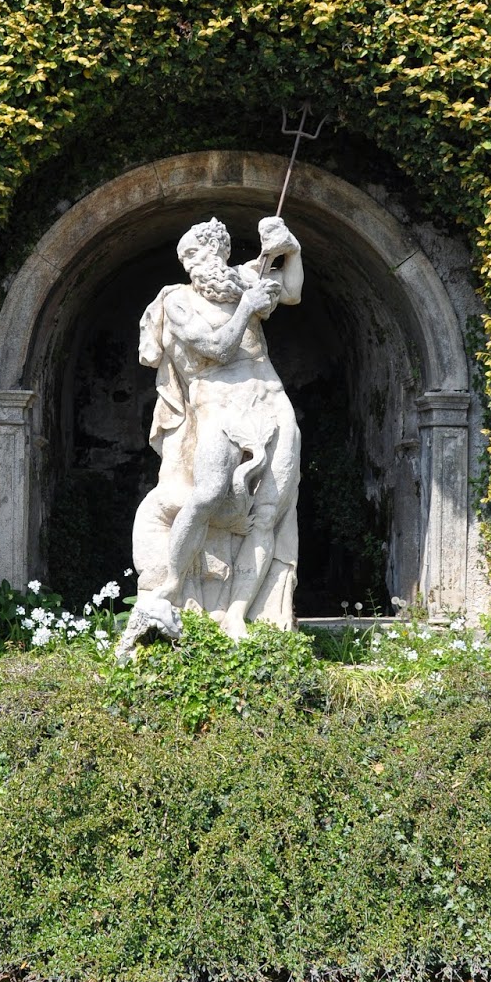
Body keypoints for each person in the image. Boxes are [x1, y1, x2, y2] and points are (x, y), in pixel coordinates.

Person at [118, 213, 303, 653]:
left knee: (267, 514)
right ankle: (169, 588)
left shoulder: (244, 280)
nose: (203, 261)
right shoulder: (177, 300)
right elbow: (218, 350)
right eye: (195, 255)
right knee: (206, 494)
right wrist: (248, 307)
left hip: (271, 401)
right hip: (217, 406)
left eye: (210, 252)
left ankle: (238, 614)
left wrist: (289, 248)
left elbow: (292, 291)